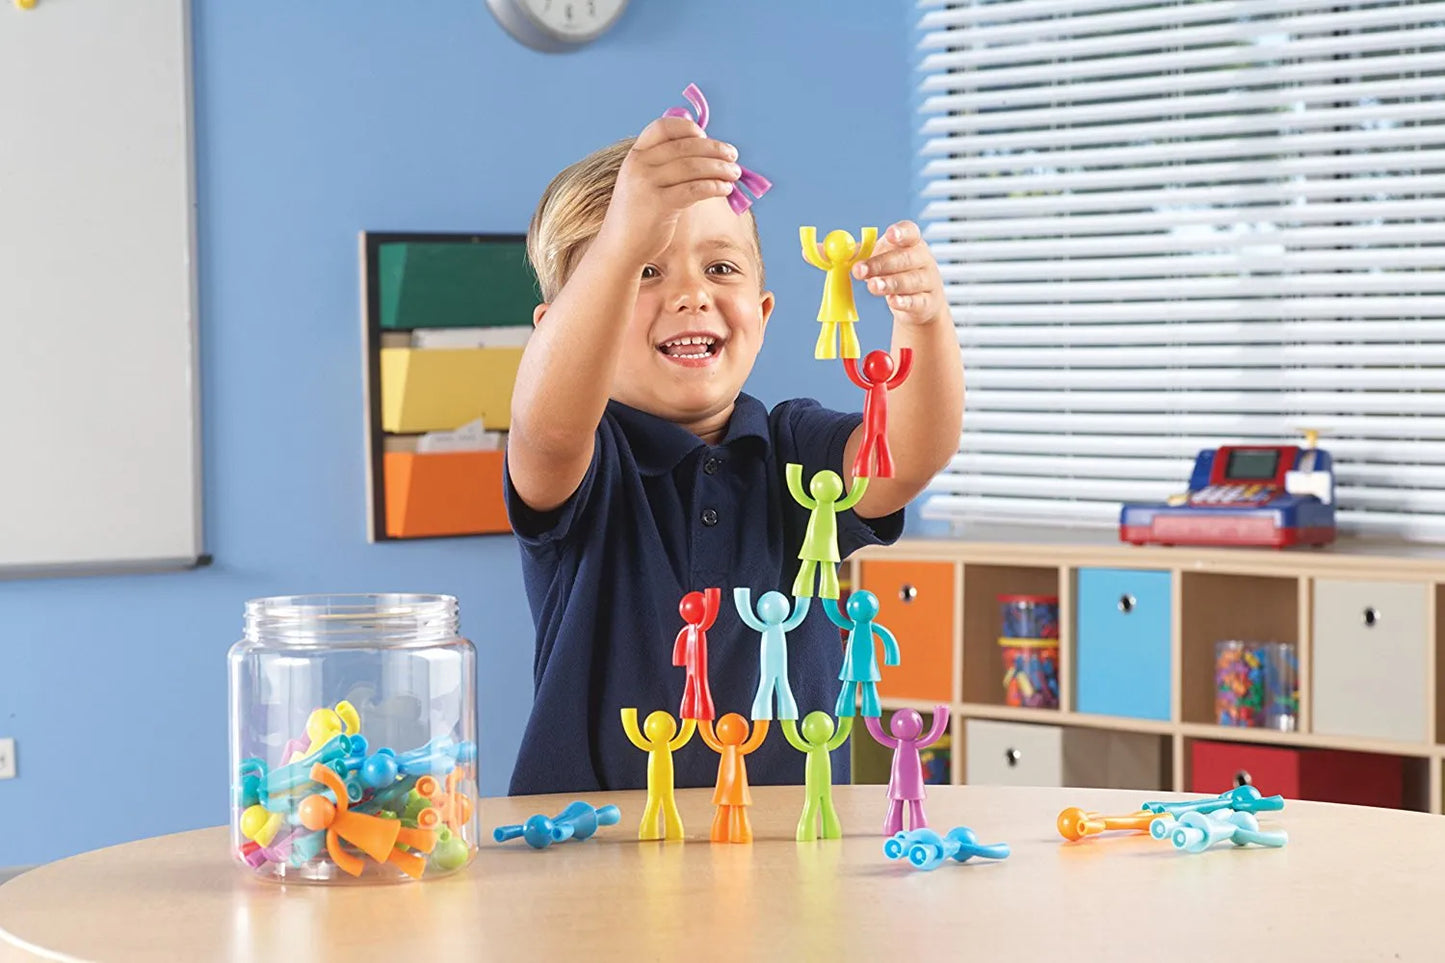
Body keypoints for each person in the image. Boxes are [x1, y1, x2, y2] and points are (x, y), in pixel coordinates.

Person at [504, 110, 964, 795]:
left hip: (789, 839)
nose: (692, 295)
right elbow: (545, 429)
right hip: (590, 840)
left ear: (764, 311)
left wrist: (923, 323)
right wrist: (621, 240)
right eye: (643, 272)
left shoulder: (793, 448)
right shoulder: (583, 457)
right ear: (561, 331)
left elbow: (904, 457)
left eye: (720, 267)